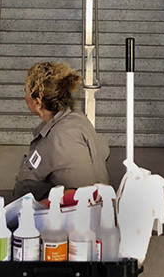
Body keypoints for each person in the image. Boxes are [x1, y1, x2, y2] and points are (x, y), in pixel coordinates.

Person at [12, 62, 110, 201]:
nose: (24, 97)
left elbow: (24, 189)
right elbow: (104, 151)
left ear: (38, 102)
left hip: (75, 214)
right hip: (101, 207)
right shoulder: (79, 119)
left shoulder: (54, 138)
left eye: (25, 91)